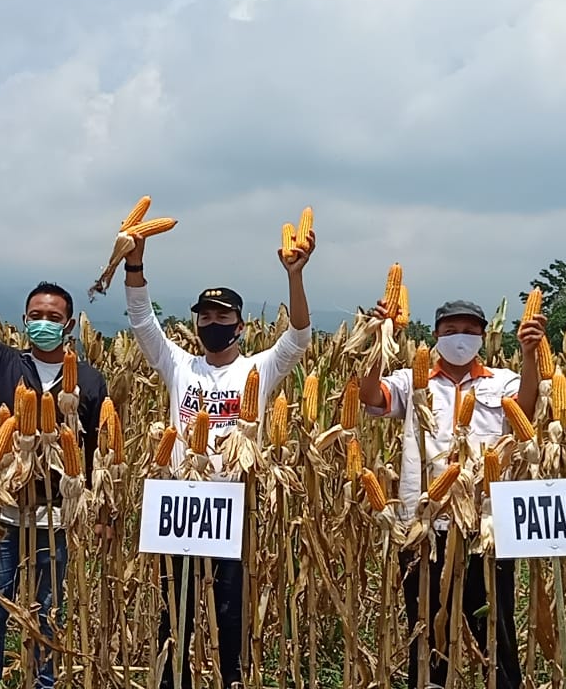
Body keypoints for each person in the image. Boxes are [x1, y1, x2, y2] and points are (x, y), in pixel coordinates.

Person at [122, 228, 315, 689]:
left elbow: (300, 337)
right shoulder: (179, 365)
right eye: (205, 316)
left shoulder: (259, 369)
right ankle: (173, 680)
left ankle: (231, 677)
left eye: (222, 315)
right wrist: (135, 264)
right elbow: (141, 321)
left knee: (230, 608)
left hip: (234, 504)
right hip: (181, 503)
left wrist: (295, 276)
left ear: (240, 325)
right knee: (178, 608)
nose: (212, 323)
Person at [0, 244, 108, 689]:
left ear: (68, 325)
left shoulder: (89, 380)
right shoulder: (5, 363)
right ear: (24, 320)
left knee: (47, 612)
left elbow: (95, 452)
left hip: (55, 517)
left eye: (53, 317)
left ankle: (42, 683)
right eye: (36, 315)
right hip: (2, 514)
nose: (43, 323)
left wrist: (96, 508)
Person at [360, 299, 544, 689]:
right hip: (422, 526)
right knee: (425, 628)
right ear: (436, 335)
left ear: (483, 336)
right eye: (450, 330)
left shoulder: (503, 382)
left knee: (495, 626)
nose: (460, 337)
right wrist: (379, 339)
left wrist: (530, 355)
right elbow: (371, 397)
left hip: (486, 526)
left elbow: (525, 414)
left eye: (469, 330)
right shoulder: (412, 381)